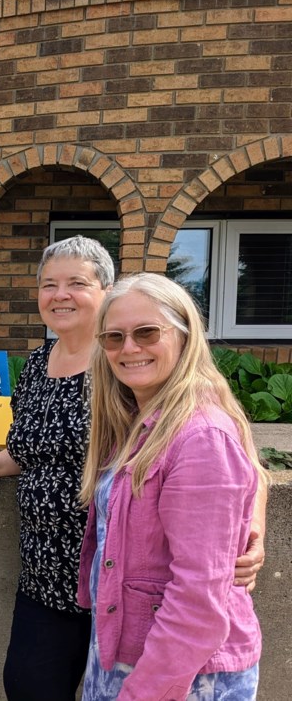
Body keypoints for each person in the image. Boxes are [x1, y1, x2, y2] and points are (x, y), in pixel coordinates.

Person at [0, 236, 265, 701]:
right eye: (48, 284)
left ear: (108, 290)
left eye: (76, 282)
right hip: (60, 577)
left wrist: (248, 533)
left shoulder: (149, 386)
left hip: (137, 593)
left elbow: (236, 461)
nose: (60, 294)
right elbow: (36, 448)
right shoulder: (57, 370)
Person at [78, 273, 268, 699]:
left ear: (183, 335)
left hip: (184, 675)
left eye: (146, 332)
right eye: (114, 337)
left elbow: (198, 599)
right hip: (134, 655)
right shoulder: (138, 422)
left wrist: (141, 693)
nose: (129, 348)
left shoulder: (200, 437)